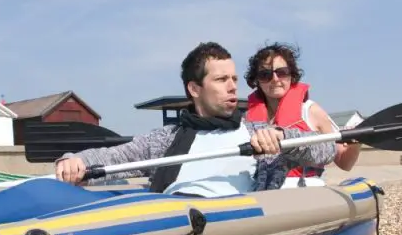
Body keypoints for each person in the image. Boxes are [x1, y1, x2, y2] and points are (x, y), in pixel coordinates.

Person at [54, 42, 337, 197]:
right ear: (194, 89)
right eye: (221, 79)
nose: (232, 87)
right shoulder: (164, 140)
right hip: (176, 225)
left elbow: (326, 151)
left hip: (238, 232)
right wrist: (74, 161)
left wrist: (284, 139)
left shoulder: (259, 134)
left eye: (234, 79)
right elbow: (114, 158)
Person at [242, 42, 360, 187]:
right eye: (265, 74)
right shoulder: (246, 120)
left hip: (305, 191)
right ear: (257, 80)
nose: (275, 79)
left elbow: (344, 162)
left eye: (282, 72)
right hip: (264, 192)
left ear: (292, 75)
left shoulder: (311, 111)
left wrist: (356, 142)